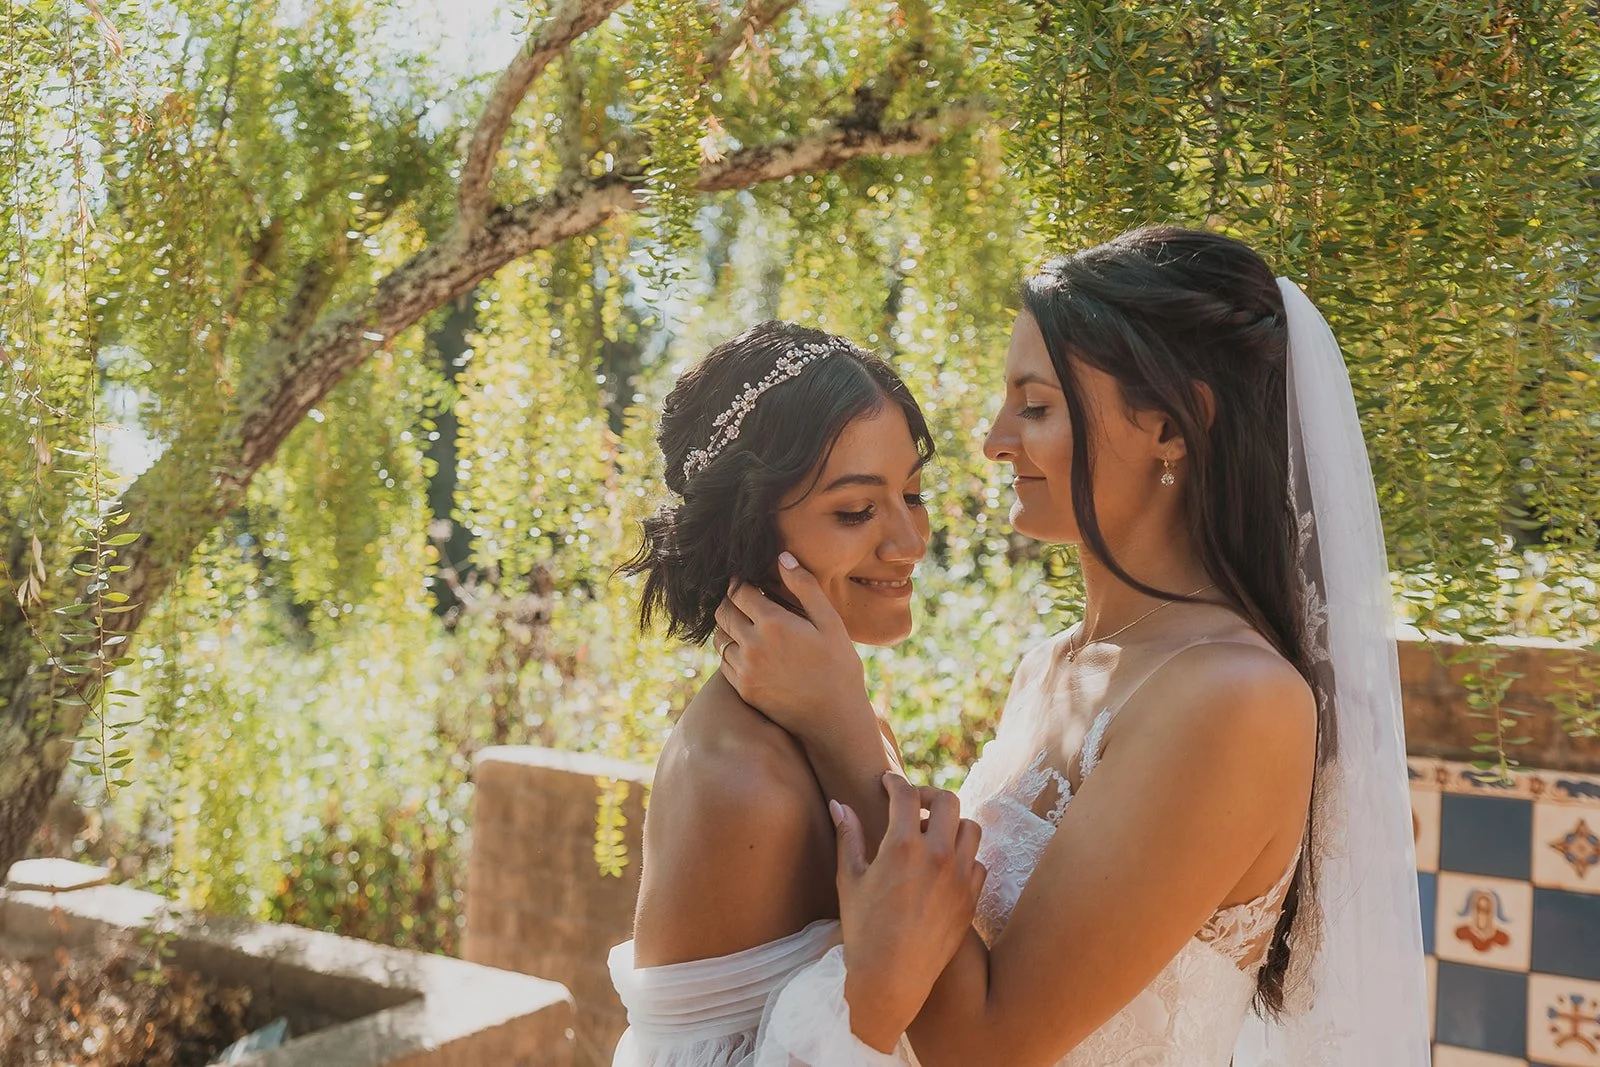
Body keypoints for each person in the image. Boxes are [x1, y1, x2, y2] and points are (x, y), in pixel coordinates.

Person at [716, 227, 1431, 1064]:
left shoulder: (1236, 699)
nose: (992, 439)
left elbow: (987, 1044)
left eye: (1036, 405)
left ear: (1171, 425)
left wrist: (840, 723)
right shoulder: (1051, 666)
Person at [609, 320, 985, 1067]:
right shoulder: (745, 779)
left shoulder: (835, 717)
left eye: (912, 493)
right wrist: (872, 1003)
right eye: (855, 510)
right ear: (748, 528)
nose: (909, 541)